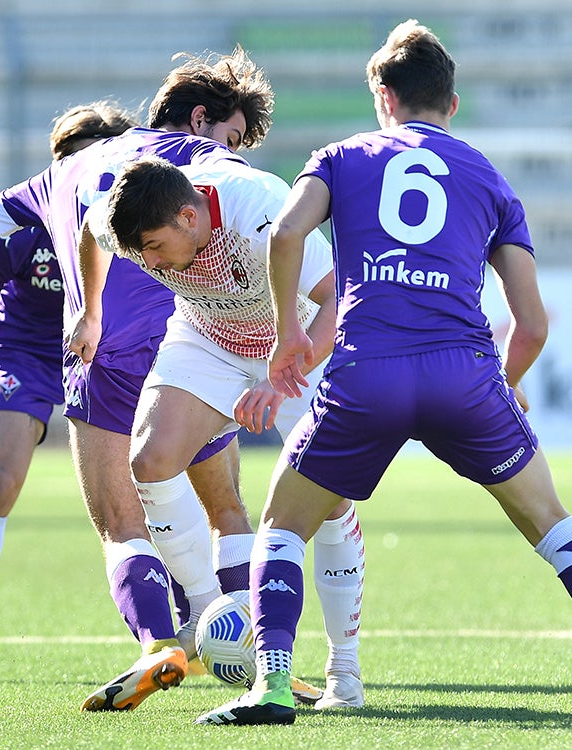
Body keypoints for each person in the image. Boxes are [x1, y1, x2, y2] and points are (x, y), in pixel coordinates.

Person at [194, 19, 572, 726]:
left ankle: (273, 686)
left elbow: (284, 234)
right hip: (465, 378)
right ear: (451, 104)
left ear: (383, 96)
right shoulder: (489, 178)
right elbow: (534, 324)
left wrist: (288, 340)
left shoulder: (341, 157)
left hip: (367, 376)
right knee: (553, 527)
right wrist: (508, 382)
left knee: (279, 528)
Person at [0, 47, 326, 712]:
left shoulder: (62, 176)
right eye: (229, 133)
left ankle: (161, 642)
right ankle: (251, 653)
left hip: (103, 348)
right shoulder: (181, 167)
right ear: (200, 121)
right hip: (187, 344)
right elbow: (248, 189)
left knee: (120, 518)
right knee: (228, 508)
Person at [73, 154, 366, 711]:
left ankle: (343, 670)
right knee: (152, 460)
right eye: (137, 252)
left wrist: (282, 380)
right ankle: (212, 618)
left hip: (298, 343)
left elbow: (338, 301)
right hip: (210, 339)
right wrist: (91, 313)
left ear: (190, 215)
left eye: (154, 248)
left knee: (329, 500)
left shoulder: (258, 211)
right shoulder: (138, 223)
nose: (147, 262)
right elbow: (92, 228)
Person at [0, 101, 141, 684]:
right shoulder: (23, 222)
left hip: (99, 346)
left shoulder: (130, 216)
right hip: (25, 350)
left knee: (144, 485)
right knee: (0, 479)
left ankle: (179, 628)